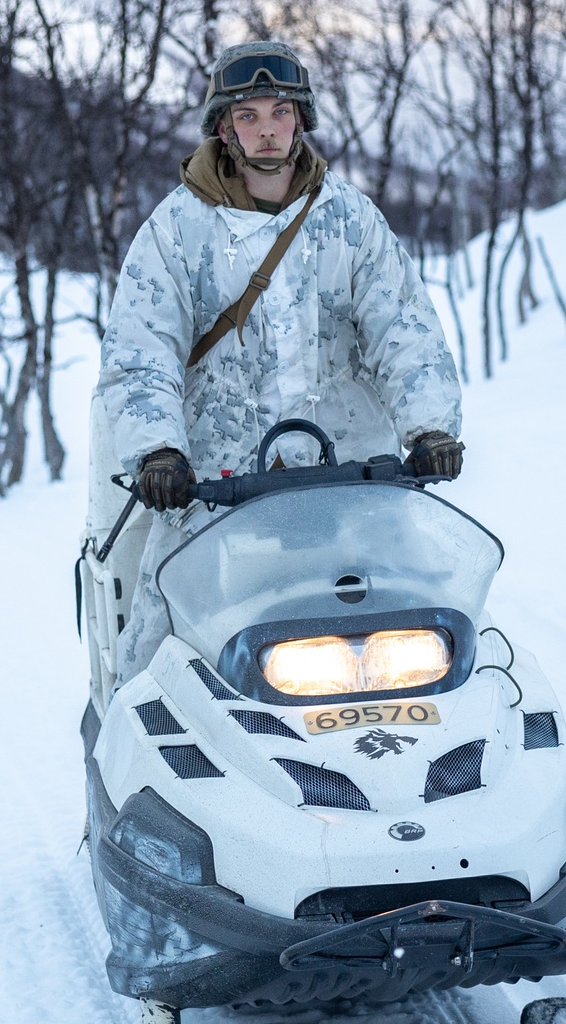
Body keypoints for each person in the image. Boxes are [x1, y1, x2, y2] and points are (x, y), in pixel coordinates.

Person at [92, 40, 464, 683]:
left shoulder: (348, 219)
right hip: (214, 492)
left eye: (280, 112)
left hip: (351, 486)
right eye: (248, 116)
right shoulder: (176, 229)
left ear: (301, 120)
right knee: (151, 664)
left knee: (441, 628)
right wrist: (158, 453)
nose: (267, 129)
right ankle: (132, 773)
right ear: (224, 128)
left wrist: (429, 428)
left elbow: (401, 324)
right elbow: (140, 350)